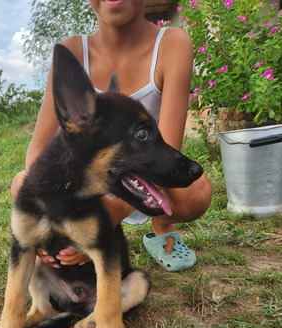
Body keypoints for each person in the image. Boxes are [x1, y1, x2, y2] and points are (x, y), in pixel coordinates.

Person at [11, 0, 212, 272]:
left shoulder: (173, 43)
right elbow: (38, 147)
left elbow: (166, 151)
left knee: (196, 192)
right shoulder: (73, 51)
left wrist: (109, 217)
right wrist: (62, 217)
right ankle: (57, 240)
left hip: (146, 182)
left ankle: (162, 224)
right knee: (22, 184)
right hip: (91, 184)